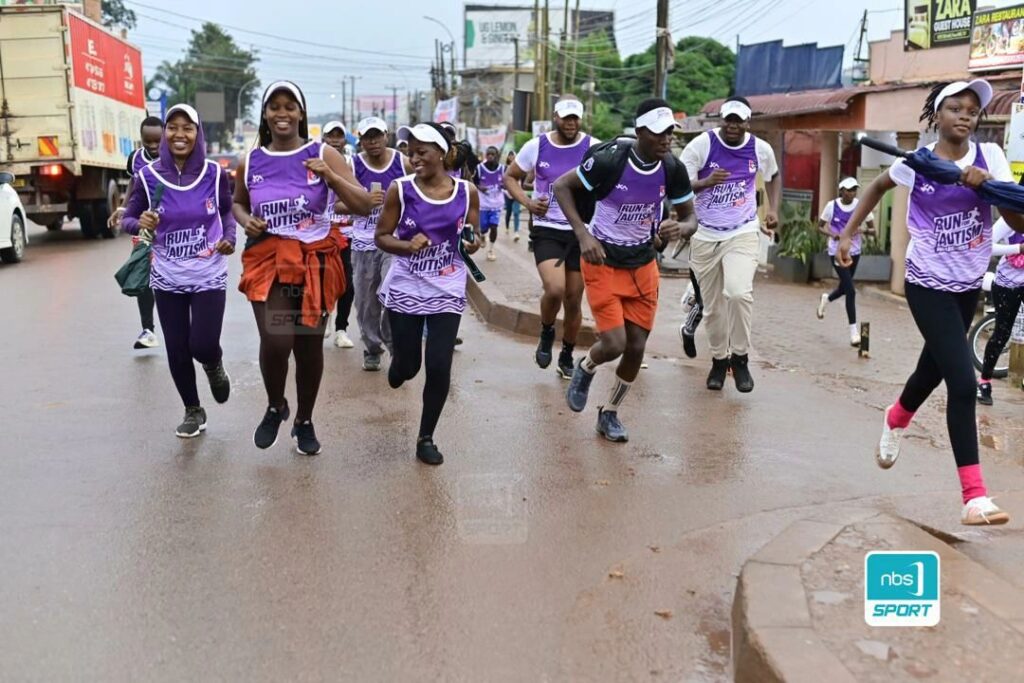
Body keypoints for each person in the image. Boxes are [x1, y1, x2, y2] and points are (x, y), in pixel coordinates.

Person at [838, 79, 1024, 525]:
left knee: (931, 370)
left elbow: (1018, 221)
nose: (965, 116)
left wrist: (988, 187)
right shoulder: (918, 163)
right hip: (925, 283)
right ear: (937, 115)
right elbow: (877, 186)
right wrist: (847, 232)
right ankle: (974, 498)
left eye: (972, 110)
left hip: (966, 285)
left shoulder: (990, 157)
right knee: (962, 382)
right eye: (955, 108)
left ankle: (896, 416)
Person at [234, 81, 372, 455]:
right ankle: (275, 405)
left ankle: (304, 421)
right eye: (274, 106)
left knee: (309, 346)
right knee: (277, 340)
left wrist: (331, 176)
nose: (282, 113)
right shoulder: (251, 160)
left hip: (315, 260)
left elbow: (363, 205)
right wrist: (246, 220)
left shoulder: (323, 153)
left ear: (301, 113)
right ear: (265, 114)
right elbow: (238, 203)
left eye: (289, 106)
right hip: (268, 258)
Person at [555, 99, 695, 442]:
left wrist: (681, 227)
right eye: (659, 133)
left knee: (636, 346)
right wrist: (583, 235)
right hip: (602, 259)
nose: (667, 139)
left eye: (670, 132)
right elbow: (561, 187)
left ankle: (610, 413)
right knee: (614, 343)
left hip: (643, 263)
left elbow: (691, 217)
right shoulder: (610, 160)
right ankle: (586, 367)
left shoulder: (672, 168)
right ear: (640, 132)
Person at [120, 105, 235, 437]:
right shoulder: (147, 176)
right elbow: (128, 218)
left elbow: (227, 213)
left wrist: (229, 238)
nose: (179, 134)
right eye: (173, 127)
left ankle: (213, 364)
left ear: (198, 133)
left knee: (203, 344)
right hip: (167, 275)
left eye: (188, 128)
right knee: (177, 348)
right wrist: (139, 222)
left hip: (208, 272)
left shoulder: (214, 174)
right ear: (165, 133)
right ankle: (193, 410)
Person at [374, 123, 481, 465]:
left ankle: (426, 437)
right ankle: (399, 366)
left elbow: (473, 234)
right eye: (410, 152)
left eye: (422, 152)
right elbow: (381, 236)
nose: (414, 158)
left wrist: (473, 243)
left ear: (442, 153)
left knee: (438, 364)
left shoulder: (467, 192)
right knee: (409, 366)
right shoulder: (400, 189)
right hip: (407, 284)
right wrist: (407, 246)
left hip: (447, 286)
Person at [682, 96, 779, 393]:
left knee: (738, 293)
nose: (733, 125)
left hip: (742, 231)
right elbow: (680, 185)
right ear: (722, 120)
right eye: (729, 120)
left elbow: (773, 176)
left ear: (748, 122)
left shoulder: (760, 149)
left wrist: (774, 209)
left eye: (739, 120)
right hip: (704, 234)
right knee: (712, 309)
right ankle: (718, 360)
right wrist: (706, 182)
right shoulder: (701, 146)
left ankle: (740, 358)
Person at [504, 98, 598, 379]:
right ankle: (546, 331)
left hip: (581, 232)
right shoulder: (537, 145)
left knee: (573, 298)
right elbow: (510, 177)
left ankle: (567, 353)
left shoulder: (593, 147)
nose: (571, 123)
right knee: (555, 289)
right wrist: (528, 202)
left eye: (575, 118)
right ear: (555, 117)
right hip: (547, 229)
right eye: (566, 118)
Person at [345, 116, 412, 371]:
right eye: (367, 137)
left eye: (377, 136)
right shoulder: (352, 166)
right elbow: (336, 205)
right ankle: (372, 348)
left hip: (393, 242)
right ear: (360, 140)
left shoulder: (403, 163)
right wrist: (362, 203)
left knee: (392, 294)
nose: (373, 141)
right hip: (363, 243)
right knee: (365, 303)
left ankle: (394, 345)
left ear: (386, 136)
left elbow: (420, 194)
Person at [111, 115, 164, 350]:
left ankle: (184, 326)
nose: (153, 146)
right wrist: (123, 209)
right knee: (143, 274)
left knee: (172, 276)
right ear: (140, 139)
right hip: (144, 225)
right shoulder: (135, 159)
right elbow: (134, 184)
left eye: (157, 141)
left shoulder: (174, 156)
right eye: (147, 141)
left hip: (172, 226)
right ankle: (148, 331)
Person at [816, 177, 876, 346]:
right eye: (848, 190)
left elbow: (873, 230)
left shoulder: (861, 205)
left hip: (854, 252)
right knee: (850, 290)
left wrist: (862, 230)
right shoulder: (831, 206)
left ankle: (826, 299)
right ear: (841, 190)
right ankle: (853, 333)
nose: (852, 193)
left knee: (844, 287)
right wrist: (832, 235)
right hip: (837, 253)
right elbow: (819, 226)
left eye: (854, 189)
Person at [977, 216, 1024, 405]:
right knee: (1002, 334)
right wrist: (1018, 248)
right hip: (1008, 283)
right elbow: (987, 246)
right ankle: (984, 382)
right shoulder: (1011, 215)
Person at [321, 120, 356, 349]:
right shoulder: (314, 162)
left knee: (347, 283)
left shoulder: (352, 163)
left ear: (344, 140)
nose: (335, 140)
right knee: (321, 279)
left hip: (346, 232)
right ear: (324, 139)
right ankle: (324, 317)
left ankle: (341, 329)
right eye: (330, 136)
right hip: (321, 232)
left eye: (339, 136)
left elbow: (359, 194)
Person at [475, 145, 504, 261]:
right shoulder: (479, 168)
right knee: (484, 227)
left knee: (494, 226)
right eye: (488, 154)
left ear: (496, 156)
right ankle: (483, 235)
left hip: (497, 203)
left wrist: (503, 185)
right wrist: (480, 187)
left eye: (493, 154)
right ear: (486, 156)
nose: (490, 156)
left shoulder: (502, 168)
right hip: (484, 203)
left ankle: (491, 250)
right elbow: (473, 182)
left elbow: (508, 182)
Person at [503, 150, 522, 241]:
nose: (511, 157)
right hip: (507, 193)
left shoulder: (520, 166)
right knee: (509, 212)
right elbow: (502, 180)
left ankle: (516, 232)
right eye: (509, 155)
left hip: (517, 192)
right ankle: (507, 227)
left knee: (516, 212)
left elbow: (522, 178)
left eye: (512, 155)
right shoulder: (504, 168)